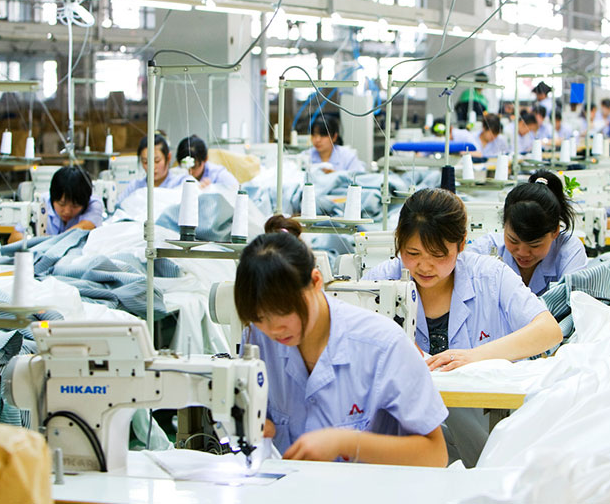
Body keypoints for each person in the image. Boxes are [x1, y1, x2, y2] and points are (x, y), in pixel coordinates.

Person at [235, 216, 448, 466]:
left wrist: (347, 443)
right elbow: (250, 415)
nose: (274, 329)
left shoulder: (383, 346)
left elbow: (436, 455)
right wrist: (255, 425)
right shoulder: (258, 340)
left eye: (284, 312)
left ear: (316, 282)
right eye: (260, 318)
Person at [363, 188, 562, 369]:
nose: (424, 266)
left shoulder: (490, 276)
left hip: (483, 396)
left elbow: (549, 331)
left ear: (462, 243)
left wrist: (475, 356)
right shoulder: (380, 281)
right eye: (413, 253)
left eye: (438, 255)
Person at [469, 171, 588, 295]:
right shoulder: (484, 249)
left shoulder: (569, 251)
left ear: (555, 231)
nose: (523, 253)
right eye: (513, 240)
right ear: (504, 226)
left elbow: (573, 300)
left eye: (534, 245)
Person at [8, 166, 104, 243]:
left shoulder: (94, 204)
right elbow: (13, 238)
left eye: (75, 206)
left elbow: (82, 228)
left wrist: (45, 242)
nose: (67, 211)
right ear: (52, 198)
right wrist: (31, 241)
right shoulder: (40, 204)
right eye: (61, 204)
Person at [118, 133, 188, 203]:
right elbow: (118, 205)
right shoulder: (135, 186)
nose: (152, 167)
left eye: (157, 161)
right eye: (145, 162)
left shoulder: (180, 182)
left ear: (168, 157)